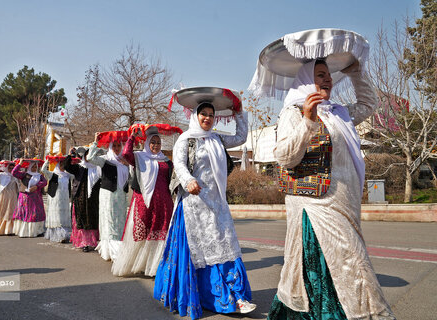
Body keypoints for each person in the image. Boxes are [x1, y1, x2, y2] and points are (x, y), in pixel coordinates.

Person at [267, 60, 395, 319]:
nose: (327, 80)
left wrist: (356, 72)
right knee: (351, 265)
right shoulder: (293, 112)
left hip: (344, 203)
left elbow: (369, 105)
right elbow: (284, 156)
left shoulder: (338, 112)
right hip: (316, 204)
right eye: (320, 75)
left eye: (328, 75)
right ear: (304, 81)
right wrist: (307, 122)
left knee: (350, 263)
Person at [154, 92, 255, 319]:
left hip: (217, 204)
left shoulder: (216, 139)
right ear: (195, 116)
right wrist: (189, 180)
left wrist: (238, 113)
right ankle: (210, 296)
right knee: (199, 252)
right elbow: (179, 163)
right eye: (204, 115)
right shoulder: (186, 139)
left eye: (211, 115)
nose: (207, 119)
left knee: (224, 246)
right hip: (193, 205)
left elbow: (240, 137)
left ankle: (234, 296)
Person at [111, 125, 175, 276]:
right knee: (142, 233)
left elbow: (171, 180)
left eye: (158, 143)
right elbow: (126, 154)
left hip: (164, 203)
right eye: (152, 142)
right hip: (143, 201)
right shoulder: (140, 157)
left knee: (160, 233)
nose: (155, 145)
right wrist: (132, 137)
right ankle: (136, 264)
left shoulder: (166, 160)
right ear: (147, 143)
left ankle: (154, 267)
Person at [86, 132, 129, 261]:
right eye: (114, 145)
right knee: (110, 222)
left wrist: (127, 164)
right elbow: (90, 158)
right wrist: (95, 142)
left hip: (121, 196)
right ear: (110, 147)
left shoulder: (124, 161)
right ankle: (113, 252)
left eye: (119, 145)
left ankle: (117, 248)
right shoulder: (105, 160)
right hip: (108, 195)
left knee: (120, 222)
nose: (116, 148)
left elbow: (131, 177)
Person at [63, 147, 100, 252]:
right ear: (84, 156)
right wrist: (70, 155)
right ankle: (84, 242)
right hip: (80, 198)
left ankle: (92, 242)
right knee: (82, 220)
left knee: (92, 219)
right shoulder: (79, 167)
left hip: (93, 199)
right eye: (87, 155)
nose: (88, 158)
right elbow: (66, 166)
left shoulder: (98, 168)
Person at [12, 159, 47, 237]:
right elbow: (14, 173)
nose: (34, 168)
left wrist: (36, 186)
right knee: (25, 213)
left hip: (36, 198)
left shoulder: (39, 175)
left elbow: (45, 182)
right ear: (29, 167)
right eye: (33, 167)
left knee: (35, 214)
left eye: (35, 167)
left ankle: (37, 231)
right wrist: (20, 164)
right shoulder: (24, 174)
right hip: (25, 197)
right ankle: (24, 232)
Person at [41, 157, 73, 242]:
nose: (63, 166)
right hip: (56, 198)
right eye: (61, 165)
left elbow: (76, 174)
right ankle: (59, 235)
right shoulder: (53, 174)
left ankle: (64, 234)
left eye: (64, 165)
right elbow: (43, 170)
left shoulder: (68, 175)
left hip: (65, 198)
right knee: (57, 215)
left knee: (63, 216)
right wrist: (48, 160)